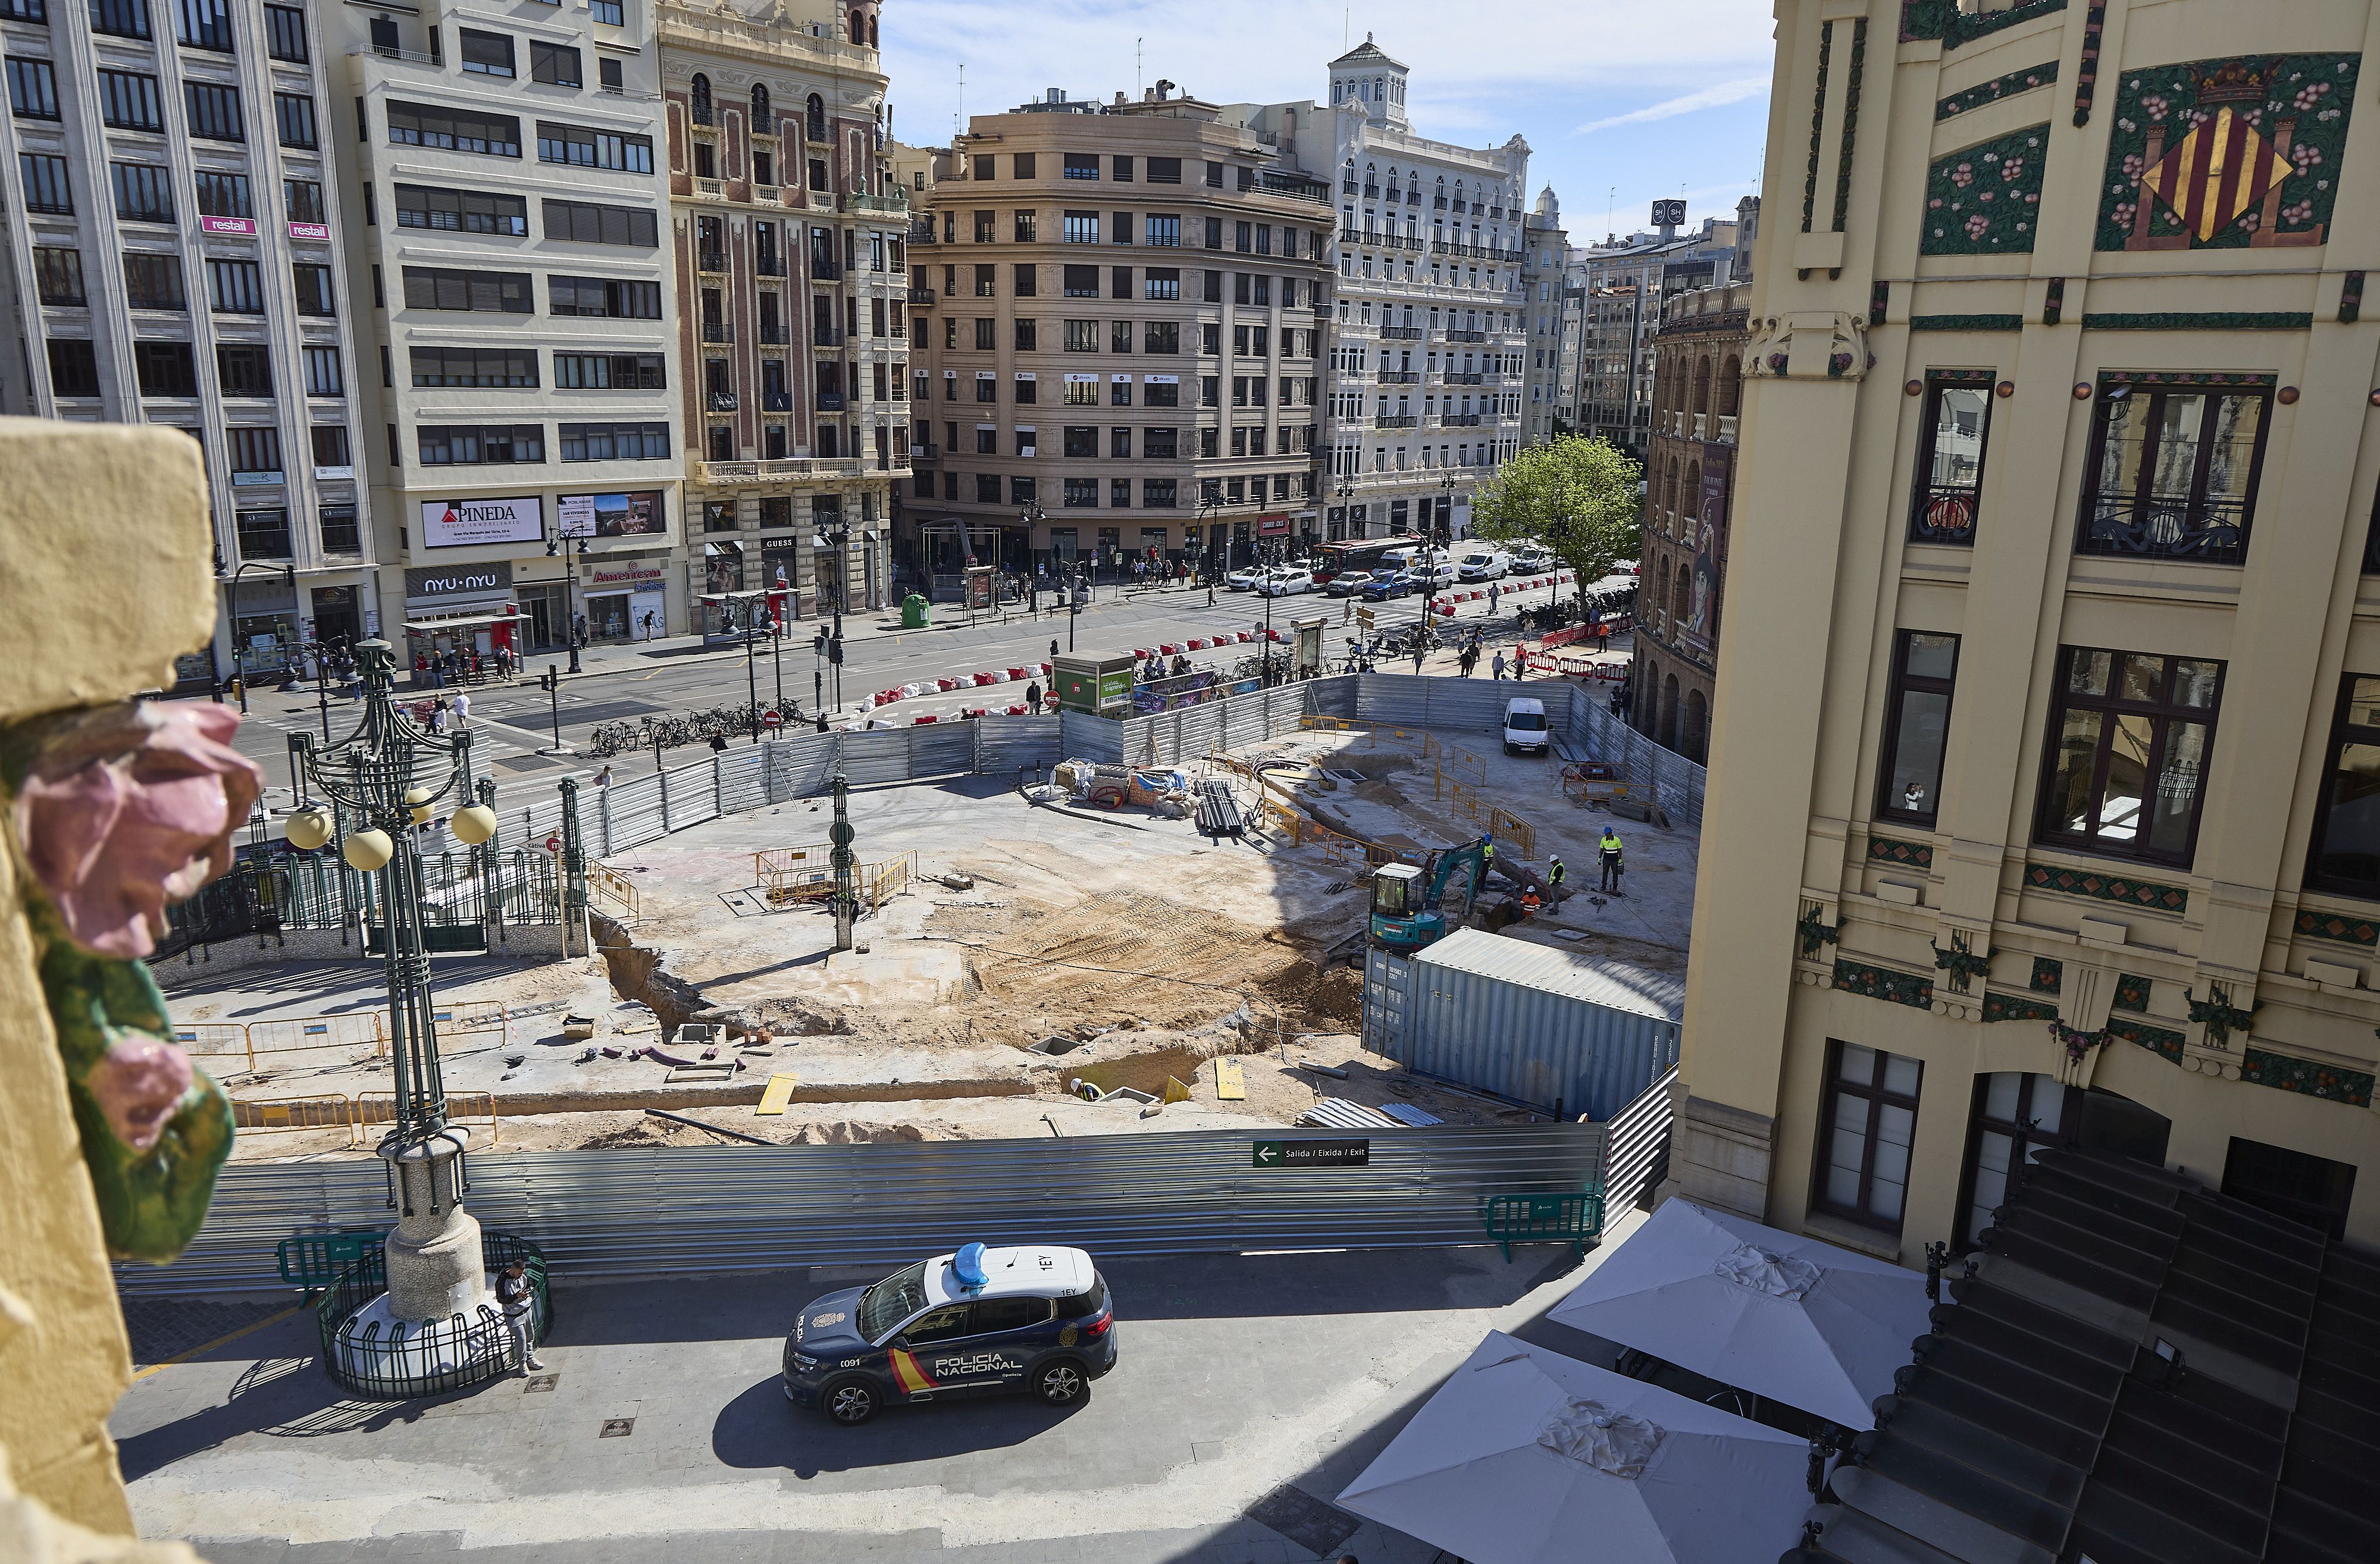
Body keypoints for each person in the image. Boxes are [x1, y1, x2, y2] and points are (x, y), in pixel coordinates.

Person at [497, 1259, 543, 1372]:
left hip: (526, 1309)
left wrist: (526, 1293)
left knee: (530, 1335)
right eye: (518, 1273)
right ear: (512, 1270)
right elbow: (501, 1299)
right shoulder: (502, 1281)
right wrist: (516, 1296)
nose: (520, 1276)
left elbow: (528, 1285)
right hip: (513, 1314)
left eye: (522, 1273)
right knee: (521, 1339)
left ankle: (530, 1359)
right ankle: (522, 1364)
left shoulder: (523, 1275)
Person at [1599, 828, 1624, 894]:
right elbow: (1602, 849)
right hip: (1606, 860)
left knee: (1615, 873)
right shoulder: (1603, 840)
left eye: (1608, 834)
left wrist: (1620, 859)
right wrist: (1599, 858)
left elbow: (1620, 850)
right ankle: (1603, 886)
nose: (1607, 835)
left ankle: (1615, 887)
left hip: (1614, 860)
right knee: (1605, 873)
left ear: (1611, 833)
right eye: (1606, 834)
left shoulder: (1617, 840)